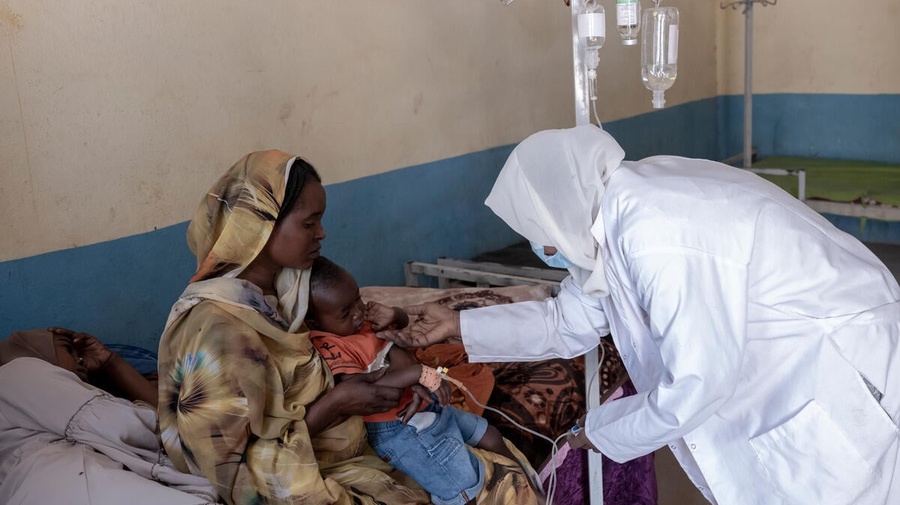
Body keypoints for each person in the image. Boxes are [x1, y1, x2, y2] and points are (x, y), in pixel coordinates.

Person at [385, 125, 900, 505]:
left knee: (837, 485)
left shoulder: (658, 230)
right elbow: (567, 322)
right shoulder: (611, 222)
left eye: (535, 230)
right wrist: (457, 324)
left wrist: (602, 430)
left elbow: (699, 383)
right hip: (787, 353)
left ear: (557, 207)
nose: (539, 245)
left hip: (831, 355)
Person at [157, 150, 541, 505]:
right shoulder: (218, 331)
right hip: (304, 473)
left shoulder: (286, 291)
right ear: (260, 226)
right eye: (309, 223)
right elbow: (234, 472)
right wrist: (335, 406)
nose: (321, 234)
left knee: (497, 463)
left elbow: (357, 348)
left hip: (358, 438)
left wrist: (402, 378)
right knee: (491, 488)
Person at [306, 256, 535, 505]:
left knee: (491, 436)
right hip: (397, 426)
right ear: (316, 323)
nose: (359, 313)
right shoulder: (332, 345)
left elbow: (402, 325)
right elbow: (368, 390)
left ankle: (532, 490)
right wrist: (418, 373)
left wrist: (395, 313)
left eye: (358, 299)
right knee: (462, 489)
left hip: (426, 405)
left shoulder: (359, 322)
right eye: (345, 312)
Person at [0, 328, 218, 505]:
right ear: (34, 350)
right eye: (68, 350)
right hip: (76, 485)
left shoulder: (47, 415)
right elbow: (135, 428)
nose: (82, 360)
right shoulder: (18, 371)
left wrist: (109, 362)